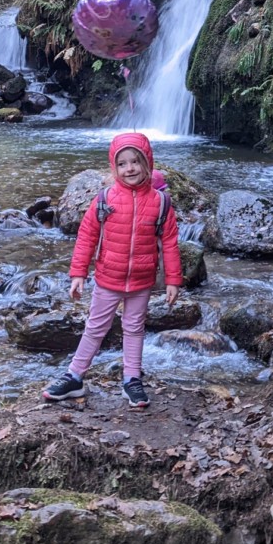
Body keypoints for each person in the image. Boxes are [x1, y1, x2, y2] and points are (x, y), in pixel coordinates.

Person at [42, 132, 182, 409]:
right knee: (96, 327)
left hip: (142, 279)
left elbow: (169, 243)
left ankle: (132, 379)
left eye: (135, 162)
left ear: (147, 163)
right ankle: (75, 376)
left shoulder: (161, 202)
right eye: (122, 164)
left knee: (134, 328)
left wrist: (173, 280)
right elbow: (87, 236)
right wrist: (78, 273)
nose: (129, 169)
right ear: (114, 167)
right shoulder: (105, 198)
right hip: (108, 276)